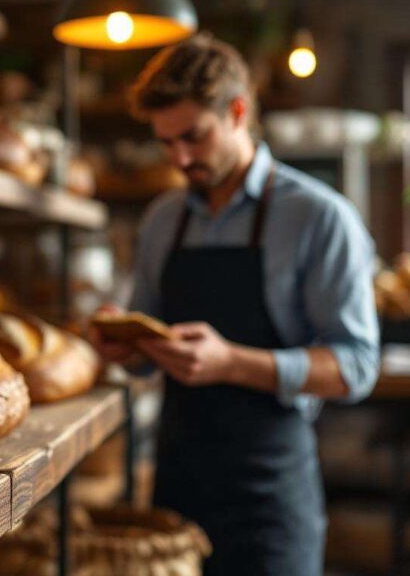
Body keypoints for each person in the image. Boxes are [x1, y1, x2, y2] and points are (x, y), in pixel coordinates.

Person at [88, 34, 380, 576]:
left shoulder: (318, 218)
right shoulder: (163, 220)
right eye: (166, 143)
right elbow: (147, 352)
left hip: (268, 496)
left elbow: (356, 366)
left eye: (193, 137)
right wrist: (124, 347)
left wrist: (231, 363)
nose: (179, 158)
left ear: (238, 112)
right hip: (178, 487)